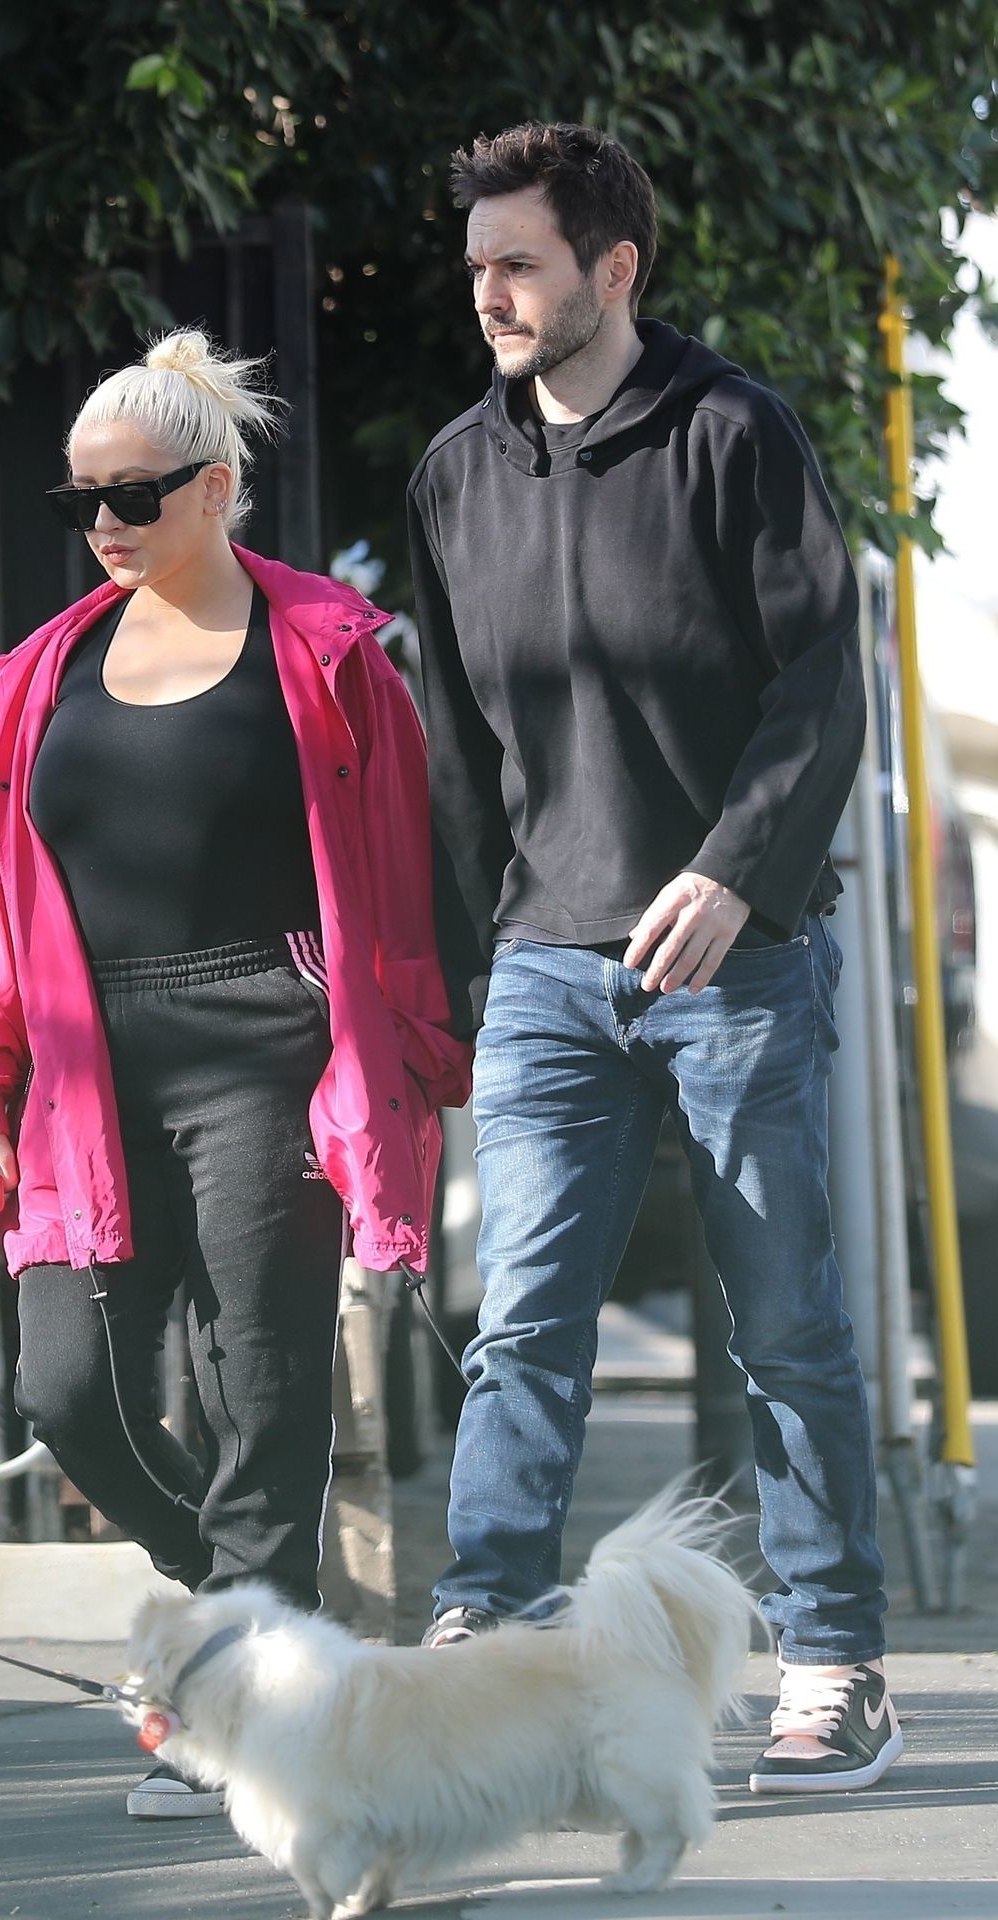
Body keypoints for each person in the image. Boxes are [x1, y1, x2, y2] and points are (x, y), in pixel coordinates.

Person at [0, 329, 470, 1817]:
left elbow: (407, 867)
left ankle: (241, 1694)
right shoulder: (45, 672)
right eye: (81, 500)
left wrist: (418, 1053)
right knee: (65, 1389)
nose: (104, 525)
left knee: (262, 1386)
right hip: (84, 1064)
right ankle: (230, 1593)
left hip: (267, 1039)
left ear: (217, 490)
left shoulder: (329, 653)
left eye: (135, 496)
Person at [407, 121, 901, 1794]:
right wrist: (471, 965)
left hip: (734, 967)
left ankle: (834, 1659)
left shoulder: (734, 433)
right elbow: (454, 747)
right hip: (546, 972)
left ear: (613, 269)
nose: (491, 292)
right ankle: (490, 1630)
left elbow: (822, 683)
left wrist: (734, 875)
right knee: (524, 1324)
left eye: (521, 263)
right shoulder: (455, 473)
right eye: (479, 265)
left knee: (785, 1325)